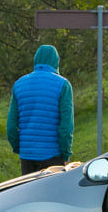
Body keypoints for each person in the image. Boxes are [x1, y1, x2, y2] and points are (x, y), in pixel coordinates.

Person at [7, 44, 74, 175]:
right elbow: (66, 126)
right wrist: (66, 154)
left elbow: (11, 126)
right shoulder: (63, 85)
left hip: (27, 156)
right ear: (56, 62)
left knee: (30, 193)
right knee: (51, 195)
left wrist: (20, 148)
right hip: (53, 155)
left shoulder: (19, 84)